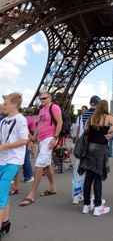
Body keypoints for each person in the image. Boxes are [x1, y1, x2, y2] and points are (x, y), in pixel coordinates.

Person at [19, 92, 63, 206]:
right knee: (47, 165)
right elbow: (39, 125)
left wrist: (55, 138)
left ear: (50, 98)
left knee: (39, 164)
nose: (42, 100)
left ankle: (32, 194)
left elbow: (59, 122)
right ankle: (52, 187)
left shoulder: (54, 107)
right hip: (42, 139)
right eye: (41, 98)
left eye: (44, 98)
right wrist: (34, 136)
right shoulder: (42, 110)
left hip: (50, 138)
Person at [80, 100, 113, 216]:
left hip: (89, 148)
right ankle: (97, 206)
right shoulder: (108, 117)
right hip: (100, 149)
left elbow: (86, 129)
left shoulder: (92, 117)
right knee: (98, 177)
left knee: (88, 178)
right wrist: (110, 134)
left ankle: (86, 205)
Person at [0, 93, 29, 237]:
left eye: (5, 103)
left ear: (14, 104)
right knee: (3, 193)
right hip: (2, 159)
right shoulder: (3, 121)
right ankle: (5, 222)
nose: (3, 106)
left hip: (13, 160)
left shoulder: (20, 120)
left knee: (1, 192)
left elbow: (24, 140)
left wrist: (4, 147)